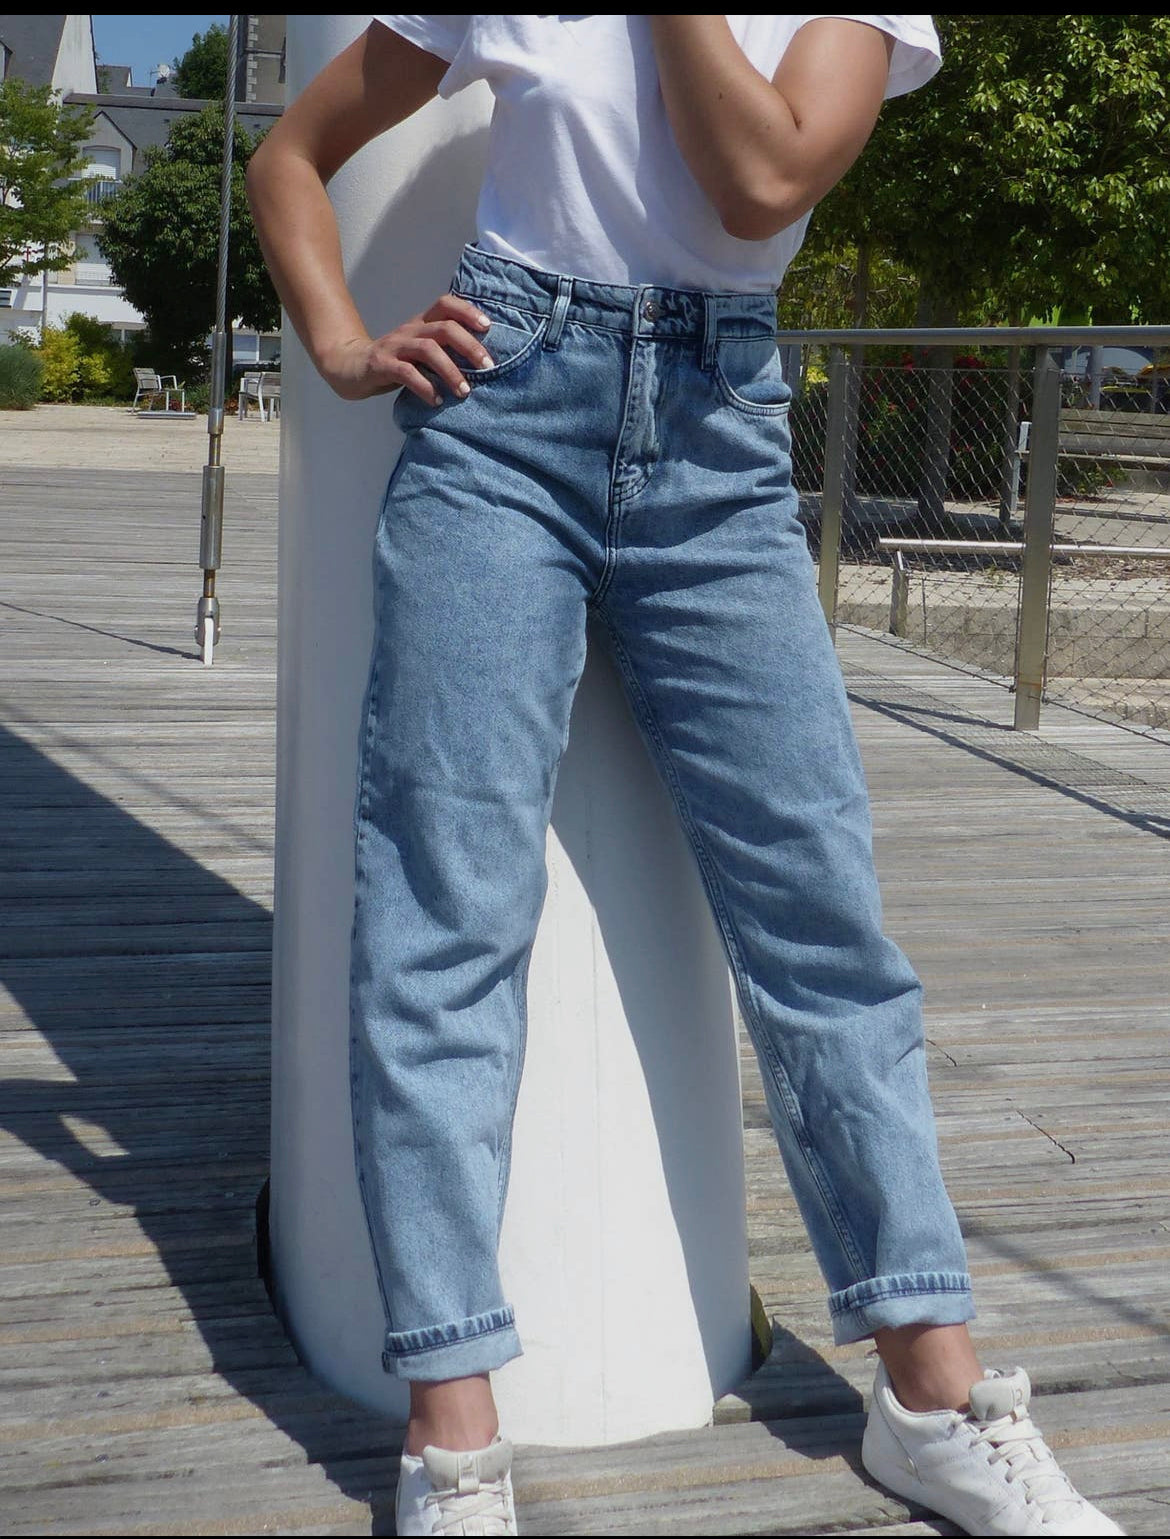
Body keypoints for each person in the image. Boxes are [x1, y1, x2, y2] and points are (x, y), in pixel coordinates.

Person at [247, 16, 1125, 1537]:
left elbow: (760, 182)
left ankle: (929, 1399)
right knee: (443, 923)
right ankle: (454, 1434)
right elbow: (289, 158)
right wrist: (336, 342)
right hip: (498, 417)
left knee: (821, 928)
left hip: (719, 438)